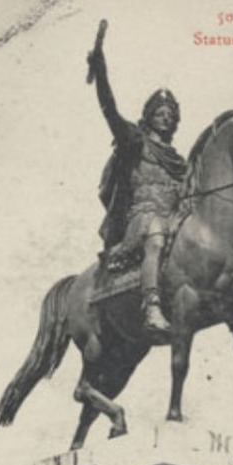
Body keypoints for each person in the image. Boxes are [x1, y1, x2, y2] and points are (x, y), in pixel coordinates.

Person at [87, 32, 187, 336]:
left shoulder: (179, 161)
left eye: (170, 115)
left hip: (172, 219)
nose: (165, 118)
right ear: (149, 116)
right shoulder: (134, 141)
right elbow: (110, 110)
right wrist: (101, 73)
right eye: (159, 112)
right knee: (156, 234)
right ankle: (152, 307)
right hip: (140, 221)